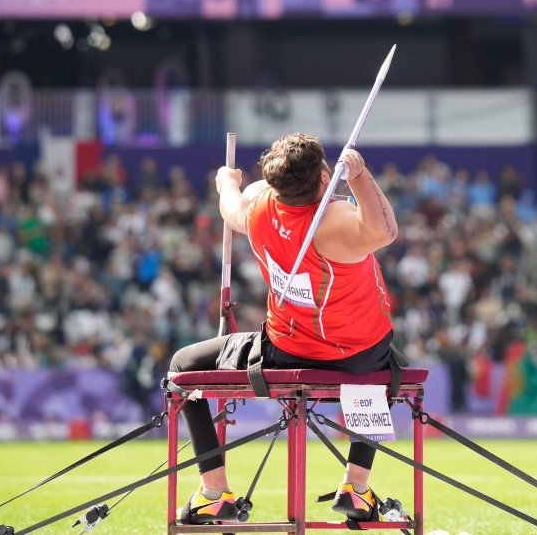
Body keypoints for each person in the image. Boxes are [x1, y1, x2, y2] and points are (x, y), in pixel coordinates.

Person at [169, 133, 399, 525]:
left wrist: (228, 183)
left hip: (286, 352)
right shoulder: (336, 222)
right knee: (389, 365)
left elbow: (231, 209)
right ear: (324, 180)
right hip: (362, 359)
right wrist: (359, 174)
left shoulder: (258, 209)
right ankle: (356, 488)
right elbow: (385, 231)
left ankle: (213, 492)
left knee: (182, 366)